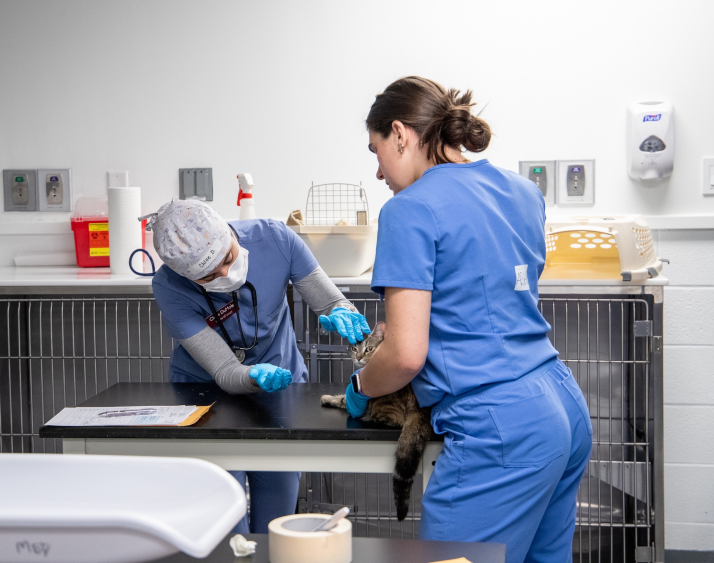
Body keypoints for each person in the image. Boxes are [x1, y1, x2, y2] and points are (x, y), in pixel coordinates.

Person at [343, 76, 593, 563]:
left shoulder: (408, 210)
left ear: (400, 133)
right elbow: (492, 293)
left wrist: (360, 388)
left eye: (375, 152)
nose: (378, 172)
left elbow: (405, 356)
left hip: (500, 425)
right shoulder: (523, 192)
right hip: (562, 403)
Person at [147, 199, 370, 534]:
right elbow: (223, 370)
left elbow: (330, 299)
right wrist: (251, 375)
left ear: (229, 234)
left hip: (282, 389)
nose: (224, 274)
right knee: (224, 523)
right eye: (209, 276)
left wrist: (340, 310)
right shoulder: (168, 287)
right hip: (205, 398)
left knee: (276, 523)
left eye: (228, 258)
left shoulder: (276, 240)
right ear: (185, 276)